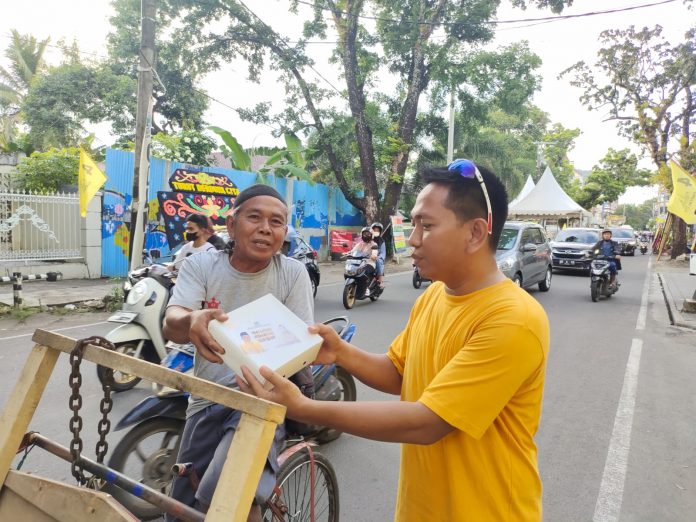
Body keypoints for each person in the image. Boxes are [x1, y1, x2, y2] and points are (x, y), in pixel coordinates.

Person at [237, 159, 550, 521]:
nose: (412, 239)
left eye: (426, 226)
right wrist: (340, 352)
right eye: (413, 223)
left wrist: (304, 408)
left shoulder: (513, 319)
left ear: (476, 233)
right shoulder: (435, 296)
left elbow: (428, 421)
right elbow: (401, 374)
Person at [162, 185, 314, 522]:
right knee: (181, 510)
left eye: (277, 222)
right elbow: (171, 324)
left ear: (284, 232)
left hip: (261, 402)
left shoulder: (292, 273)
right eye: (255, 217)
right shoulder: (201, 266)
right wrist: (191, 319)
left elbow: (303, 345)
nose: (265, 228)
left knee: (228, 496)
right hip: (205, 400)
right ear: (231, 225)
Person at [371, 221, 387, 289]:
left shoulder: (382, 241)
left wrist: (379, 257)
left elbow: (383, 253)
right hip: (368, 256)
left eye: (377, 230)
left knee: (378, 261)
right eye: (374, 230)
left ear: (380, 231)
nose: (376, 231)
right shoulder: (368, 239)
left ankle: (380, 281)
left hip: (377, 257)